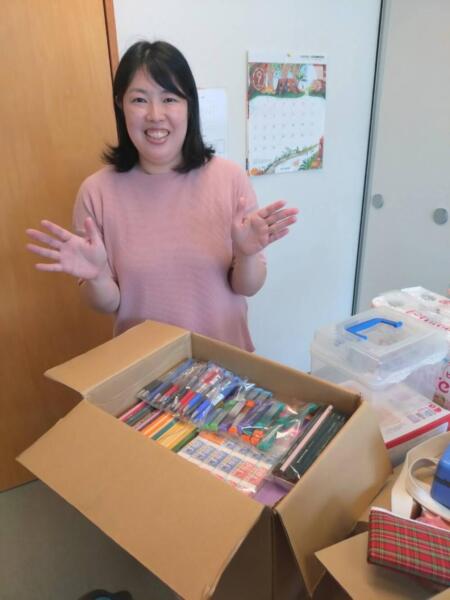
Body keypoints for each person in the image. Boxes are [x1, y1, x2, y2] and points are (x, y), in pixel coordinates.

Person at [26, 40, 298, 351]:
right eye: (139, 100)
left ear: (189, 105)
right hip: (145, 368)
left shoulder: (230, 178)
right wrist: (97, 276)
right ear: (120, 105)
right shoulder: (96, 192)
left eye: (169, 99)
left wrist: (247, 254)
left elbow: (247, 287)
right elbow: (107, 304)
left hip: (223, 366)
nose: (155, 115)